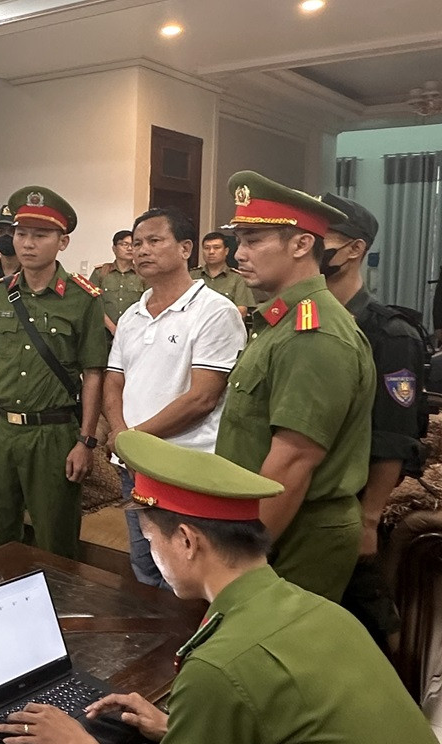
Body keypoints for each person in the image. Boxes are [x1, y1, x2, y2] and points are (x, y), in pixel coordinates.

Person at [0, 429, 442, 744]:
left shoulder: (219, 668)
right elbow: (291, 731)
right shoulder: (324, 613)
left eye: (152, 541)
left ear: (187, 541)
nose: (150, 553)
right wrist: (179, 730)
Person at [214, 171, 375, 603]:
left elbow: (294, 461)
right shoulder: (281, 322)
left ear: (302, 244)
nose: (239, 254)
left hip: (293, 531)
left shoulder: (314, 333)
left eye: (253, 240)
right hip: (268, 522)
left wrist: (241, 558)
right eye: (239, 241)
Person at [103, 208, 247, 588]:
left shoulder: (215, 312)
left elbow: (203, 397)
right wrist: (121, 435)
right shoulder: (133, 314)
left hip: (184, 466)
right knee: (145, 567)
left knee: (187, 579)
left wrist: (132, 438)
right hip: (133, 466)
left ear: (185, 249)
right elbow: (113, 379)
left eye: (154, 241)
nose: (142, 251)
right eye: (136, 244)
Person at [0, 187, 106, 560]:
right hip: (0, 431)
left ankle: (58, 610)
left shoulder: (82, 299)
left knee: (54, 535)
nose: (27, 244)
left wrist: (86, 441)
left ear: (63, 241)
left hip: (53, 434)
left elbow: (93, 373)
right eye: (21, 233)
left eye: (40, 235)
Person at [320, 192, 427, 648]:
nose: (308, 245)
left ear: (354, 249)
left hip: (355, 499)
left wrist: (368, 518)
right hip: (314, 495)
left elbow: (394, 435)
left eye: (322, 237)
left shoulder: (389, 333)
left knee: (365, 631)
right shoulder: (304, 321)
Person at [89, 230, 144, 336]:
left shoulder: (142, 274)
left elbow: (147, 304)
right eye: (124, 244)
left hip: (133, 332)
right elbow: (92, 302)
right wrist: (112, 328)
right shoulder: (101, 272)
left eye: (133, 245)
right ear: (114, 248)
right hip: (102, 333)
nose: (129, 248)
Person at [195, 232, 255, 316]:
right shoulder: (192, 276)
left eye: (216, 247)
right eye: (207, 248)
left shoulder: (237, 278)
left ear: (226, 251)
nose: (211, 252)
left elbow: (241, 311)